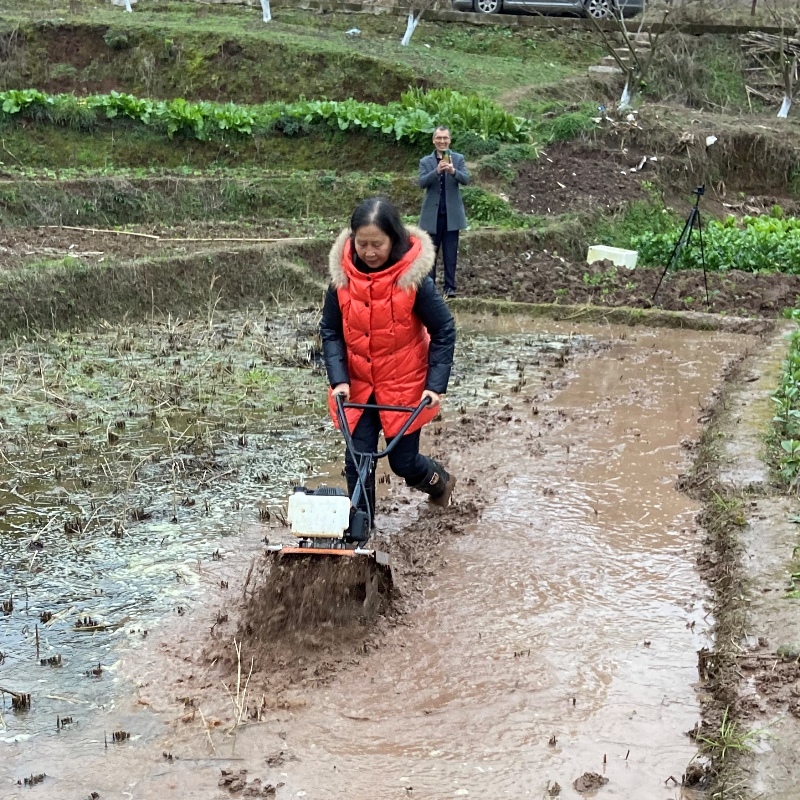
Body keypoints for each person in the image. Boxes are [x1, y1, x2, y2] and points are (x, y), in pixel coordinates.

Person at [320, 197, 457, 521]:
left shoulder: (414, 282)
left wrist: (435, 386)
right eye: (362, 244)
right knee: (358, 461)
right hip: (358, 386)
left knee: (403, 463)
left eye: (377, 244)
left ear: (393, 240)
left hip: (404, 385)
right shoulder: (341, 281)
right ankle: (361, 534)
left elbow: (444, 329)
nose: (369, 252)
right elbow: (330, 330)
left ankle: (441, 484)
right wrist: (339, 379)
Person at [418, 126, 470, 298]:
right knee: (431, 253)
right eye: (439, 138)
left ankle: (450, 288)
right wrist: (437, 171)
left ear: (450, 140)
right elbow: (422, 182)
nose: (442, 141)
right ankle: (430, 288)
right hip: (432, 217)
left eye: (445, 138)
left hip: (451, 216)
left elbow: (466, 179)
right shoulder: (426, 161)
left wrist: (452, 171)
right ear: (433, 140)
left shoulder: (458, 158)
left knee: (450, 253)